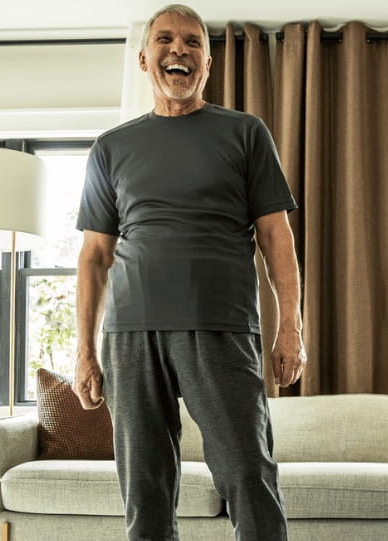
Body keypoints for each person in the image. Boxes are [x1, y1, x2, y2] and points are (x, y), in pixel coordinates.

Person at [72, 4, 304, 540]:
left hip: (220, 327)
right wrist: (84, 349)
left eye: (193, 42)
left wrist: (291, 325)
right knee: (145, 490)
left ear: (207, 62)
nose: (179, 49)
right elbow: (94, 256)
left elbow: (276, 236)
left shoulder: (245, 133)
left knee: (248, 474)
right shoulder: (111, 147)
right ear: (144, 58)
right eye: (166, 40)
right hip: (131, 334)